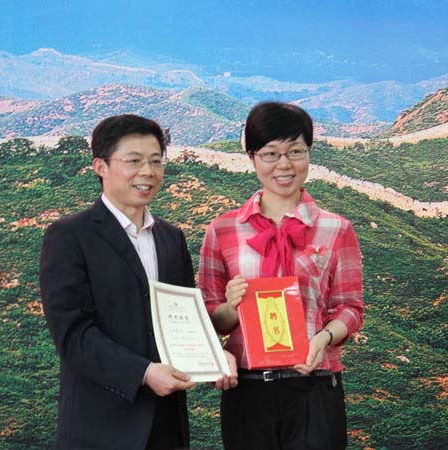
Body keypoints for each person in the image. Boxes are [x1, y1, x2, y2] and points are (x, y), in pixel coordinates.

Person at [40, 114, 236, 450]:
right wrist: (144, 373)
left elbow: (184, 320)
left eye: (156, 161)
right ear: (101, 166)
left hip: (166, 426)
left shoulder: (171, 238)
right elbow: (73, 335)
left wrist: (216, 356)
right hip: (98, 428)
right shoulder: (69, 236)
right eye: (134, 161)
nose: (147, 171)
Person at [199, 102, 364, 450]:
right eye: (270, 154)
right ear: (252, 157)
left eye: (295, 152)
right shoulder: (222, 230)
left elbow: (350, 308)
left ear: (309, 153)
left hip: (315, 386)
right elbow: (211, 317)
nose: (284, 164)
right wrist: (231, 306)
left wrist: (323, 339)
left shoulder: (337, 229)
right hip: (247, 390)